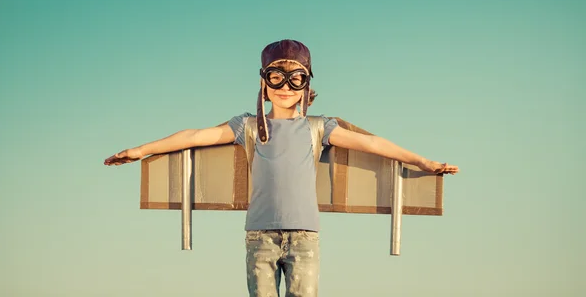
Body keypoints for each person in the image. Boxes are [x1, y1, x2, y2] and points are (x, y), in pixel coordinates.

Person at [104, 39, 459, 297]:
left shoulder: (320, 127)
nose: (285, 87)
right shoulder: (246, 126)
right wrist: (140, 150)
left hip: (305, 236)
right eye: (277, 78)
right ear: (264, 84)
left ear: (307, 85)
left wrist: (423, 162)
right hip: (259, 235)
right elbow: (195, 135)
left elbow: (373, 144)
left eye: (295, 79)